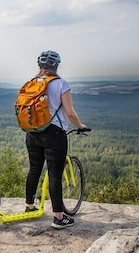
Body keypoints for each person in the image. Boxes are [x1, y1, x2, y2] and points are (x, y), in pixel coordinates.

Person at [24, 50, 87, 229]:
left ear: (40, 66)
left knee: (34, 169)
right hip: (54, 135)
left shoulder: (31, 83)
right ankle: (59, 217)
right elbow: (69, 112)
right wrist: (80, 126)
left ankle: (29, 206)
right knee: (54, 175)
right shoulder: (61, 84)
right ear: (56, 66)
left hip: (32, 132)